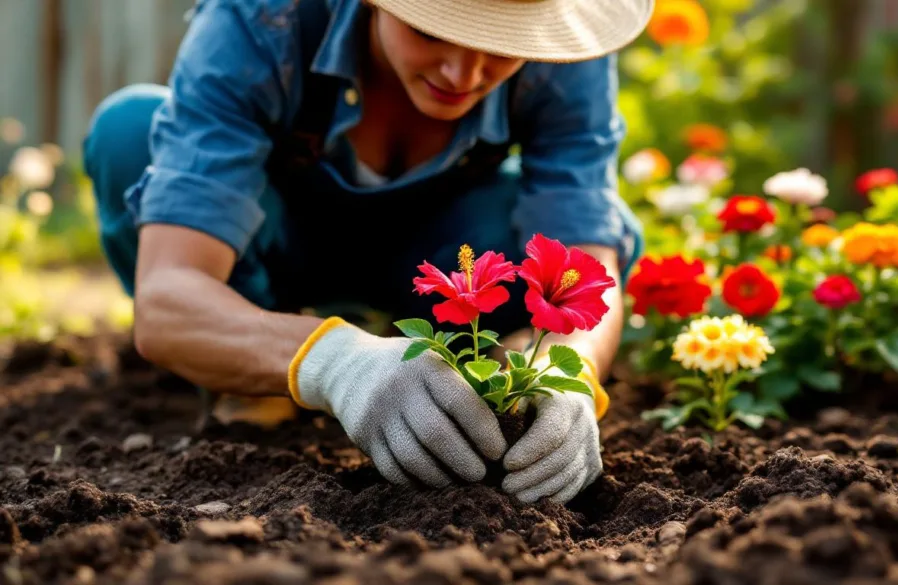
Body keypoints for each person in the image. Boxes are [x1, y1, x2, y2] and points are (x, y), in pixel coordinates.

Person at [82, 0, 651, 505]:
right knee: (131, 134)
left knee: (600, 230)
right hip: (273, 249)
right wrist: (338, 363)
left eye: (499, 48)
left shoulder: (551, 40)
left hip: (449, 266)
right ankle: (255, 369)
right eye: (432, 31)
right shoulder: (262, 19)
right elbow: (167, 298)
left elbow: (584, 263)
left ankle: (489, 373)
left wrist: (561, 373)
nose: (464, 73)